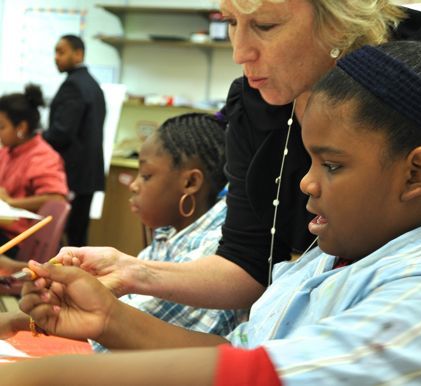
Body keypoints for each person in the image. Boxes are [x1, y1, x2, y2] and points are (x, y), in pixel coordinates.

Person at [4, 18, 421, 385]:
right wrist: (109, 320)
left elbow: (254, 377)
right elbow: (239, 351)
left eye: (332, 166)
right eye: (309, 163)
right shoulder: (327, 259)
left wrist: (30, 377)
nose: (306, 185)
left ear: (417, 173)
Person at [51, 0, 421, 312]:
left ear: (337, 16)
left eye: (265, 25)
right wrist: (131, 272)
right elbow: (248, 265)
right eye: (230, 22)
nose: (240, 51)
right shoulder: (255, 101)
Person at [0, 113, 245, 345]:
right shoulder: (168, 236)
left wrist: (17, 321)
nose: (134, 186)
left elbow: (126, 326)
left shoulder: (213, 250)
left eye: (146, 176)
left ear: (190, 182)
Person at [42, 34, 106, 247]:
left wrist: (35, 139)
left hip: (74, 175)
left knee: (69, 238)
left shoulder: (73, 86)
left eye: (61, 52)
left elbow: (62, 132)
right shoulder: (92, 84)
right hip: (87, 173)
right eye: (55, 52)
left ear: (78, 54)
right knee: (78, 234)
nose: (56, 57)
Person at [0, 84, 68, 267]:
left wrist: (12, 203)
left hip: (19, 240)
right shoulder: (8, 151)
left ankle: (13, 267)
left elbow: (57, 198)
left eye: (1, 127)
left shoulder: (42, 156)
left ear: (21, 127)